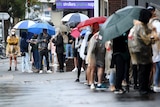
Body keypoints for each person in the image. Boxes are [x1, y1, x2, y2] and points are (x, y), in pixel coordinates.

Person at [130, 9, 158, 95]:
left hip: (144, 51)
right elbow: (147, 39)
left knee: (146, 69)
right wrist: (154, 36)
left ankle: (146, 86)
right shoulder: (140, 27)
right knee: (143, 69)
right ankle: (143, 87)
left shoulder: (142, 26)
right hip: (141, 51)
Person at [148, 6, 160, 92]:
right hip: (156, 46)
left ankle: (152, 84)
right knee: (157, 65)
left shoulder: (146, 23)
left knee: (153, 65)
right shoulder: (156, 23)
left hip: (149, 46)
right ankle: (156, 84)